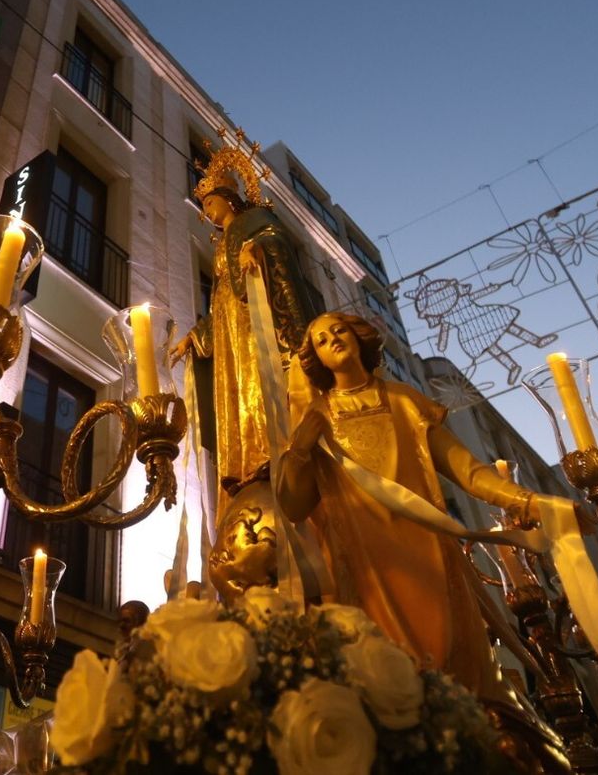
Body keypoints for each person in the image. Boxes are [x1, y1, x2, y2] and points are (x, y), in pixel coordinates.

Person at [277, 311, 572, 700]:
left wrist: (533, 502)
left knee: (454, 670)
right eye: (320, 339)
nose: (332, 338)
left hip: (428, 554)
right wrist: (298, 453)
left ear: (358, 336)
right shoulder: (317, 418)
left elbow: (467, 471)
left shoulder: (403, 400)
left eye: (339, 330)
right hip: (364, 564)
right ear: (315, 359)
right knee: (385, 672)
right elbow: (293, 507)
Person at [171, 147, 319, 497]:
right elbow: (220, 293)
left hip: (253, 321)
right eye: (204, 205)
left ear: (228, 198)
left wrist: (258, 248)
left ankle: (270, 450)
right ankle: (243, 462)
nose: (206, 211)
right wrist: (194, 337)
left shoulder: (251, 222)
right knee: (235, 389)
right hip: (227, 326)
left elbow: (275, 239)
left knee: (257, 381)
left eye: (210, 203)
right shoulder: (222, 245)